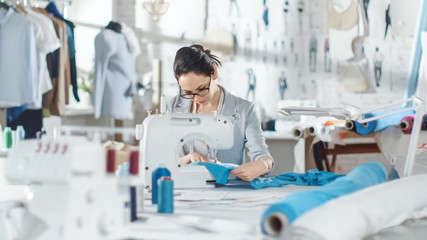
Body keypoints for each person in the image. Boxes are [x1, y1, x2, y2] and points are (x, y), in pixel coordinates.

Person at [167, 45, 274, 181]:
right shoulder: (175, 106)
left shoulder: (244, 109)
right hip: (187, 186)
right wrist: (187, 159)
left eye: (201, 89)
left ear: (214, 72)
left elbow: (262, 156)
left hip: (229, 188)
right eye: (188, 93)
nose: (197, 98)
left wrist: (261, 166)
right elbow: (165, 157)